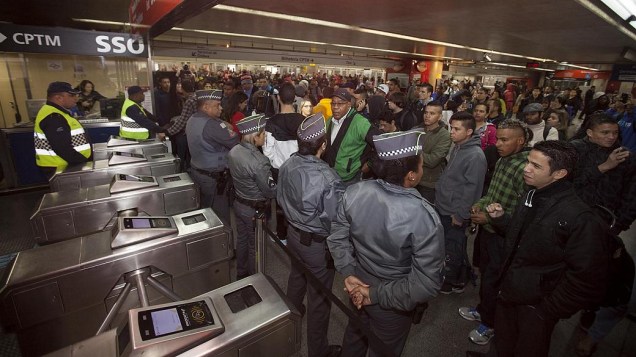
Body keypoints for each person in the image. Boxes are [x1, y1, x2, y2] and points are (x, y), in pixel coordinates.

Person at [485, 140, 608, 357]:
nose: (526, 168)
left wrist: (547, 310)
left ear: (559, 173)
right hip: (510, 291)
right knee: (503, 343)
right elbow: (522, 237)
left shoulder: (579, 218)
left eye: (536, 166)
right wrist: (502, 220)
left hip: (536, 306)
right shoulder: (532, 194)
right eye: (528, 162)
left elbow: (587, 278)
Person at [328, 130, 445, 357]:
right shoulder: (423, 215)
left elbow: (337, 236)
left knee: (354, 336)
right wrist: (375, 295)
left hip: (356, 283)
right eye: (421, 165)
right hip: (394, 299)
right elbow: (427, 282)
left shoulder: (355, 191)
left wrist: (349, 272)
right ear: (411, 175)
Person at [278, 113, 345, 357]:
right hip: (316, 245)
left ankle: (287, 321)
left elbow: (279, 197)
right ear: (323, 145)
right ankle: (318, 351)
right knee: (319, 300)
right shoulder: (328, 177)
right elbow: (336, 220)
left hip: (293, 236)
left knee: (296, 277)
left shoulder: (288, 163)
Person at [459, 119, 531, 347]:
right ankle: (483, 310)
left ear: (520, 141)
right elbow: (494, 192)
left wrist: (489, 217)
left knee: (496, 281)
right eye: (498, 138)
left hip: (503, 236)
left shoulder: (525, 169)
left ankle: (491, 324)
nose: (497, 143)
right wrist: (481, 204)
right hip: (489, 232)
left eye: (504, 140)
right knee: (487, 275)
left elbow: (522, 213)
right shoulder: (502, 160)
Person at [435, 111, 487, 293]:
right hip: (445, 207)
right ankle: (458, 278)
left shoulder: (475, 156)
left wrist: (461, 214)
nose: (452, 132)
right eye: (451, 128)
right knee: (449, 246)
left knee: (453, 249)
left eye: (457, 129)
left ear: (469, 131)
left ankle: (450, 282)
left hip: (455, 213)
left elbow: (473, 190)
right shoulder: (457, 147)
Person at [228, 114, 276, 280]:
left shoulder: (234, 151)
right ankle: (254, 280)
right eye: (263, 134)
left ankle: (241, 273)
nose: (265, 137)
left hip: (239, 203)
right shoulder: (259, 161)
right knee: (254, 245)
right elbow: (270, 191)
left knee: (241, 239)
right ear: (255, 136)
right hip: (254, 210)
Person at [186, 89, 239, 225]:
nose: (221, 108)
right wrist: (228, 129)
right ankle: (224, 244)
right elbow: (234, 141)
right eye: (217, 105)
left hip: (198, 172)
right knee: (220, 217)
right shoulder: (212, 125)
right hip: (214, 178)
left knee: (205, 212)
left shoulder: (193, 119)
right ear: (206, 107)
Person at [34, 81, 92, 178]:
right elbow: (64, 149)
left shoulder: (57, 113)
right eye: (71, 95)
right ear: (58, 98)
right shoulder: (53, 117)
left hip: (67, 165)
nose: (75, 98)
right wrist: (85, 162)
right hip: (62, 167)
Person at [324, 88, 379, 185]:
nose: (335, 107)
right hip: (329, 176)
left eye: (340, 104)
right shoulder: (329, 121)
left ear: (349, 104)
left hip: (349, 179)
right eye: (333, 103)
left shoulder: (360, 123)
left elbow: (382, 143)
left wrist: (370, 164)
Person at [415, 101, 451, 203]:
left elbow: (432, 160)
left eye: (432, 113)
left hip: (428, 184)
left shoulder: (444, 136)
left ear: (439, 117)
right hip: (412, 179)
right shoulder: (417, 129)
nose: (427, 116)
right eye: (426, 113)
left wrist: (412, 151)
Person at [165, 79, 196, 171]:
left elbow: (182, 121)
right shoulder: (196, 97)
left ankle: (182, 170)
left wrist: (167, 132)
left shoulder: (190, 101)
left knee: (181, 153)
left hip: (189, 133)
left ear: (182, 89)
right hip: (196, 132)